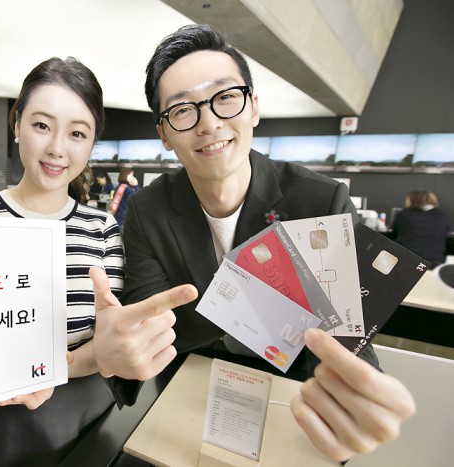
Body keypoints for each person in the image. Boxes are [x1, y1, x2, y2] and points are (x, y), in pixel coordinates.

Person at [89, 24, 415, 463]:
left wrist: (352, 399)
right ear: (164, 135)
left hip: (289, 395)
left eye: (225, 97)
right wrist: (118, 352)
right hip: (188, 387)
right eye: (182, 110)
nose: (209, 123)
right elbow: (151, 326)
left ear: (254, 107)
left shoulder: (319, 201)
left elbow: (343, 339)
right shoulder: (149, 209)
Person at [0, 56, 125, 466]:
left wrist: (51, 369)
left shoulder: (102, 228)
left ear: (91, 144)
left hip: (83, 423)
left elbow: (106, 344)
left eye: (77, 133)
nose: (57, 148)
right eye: (42, 125)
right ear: (17, 124)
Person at [391, 189, 451, 266]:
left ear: (412, 200)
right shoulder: (443, 216)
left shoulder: (404, 214)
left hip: (405, 258)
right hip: (434, 261)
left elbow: (394, 233)